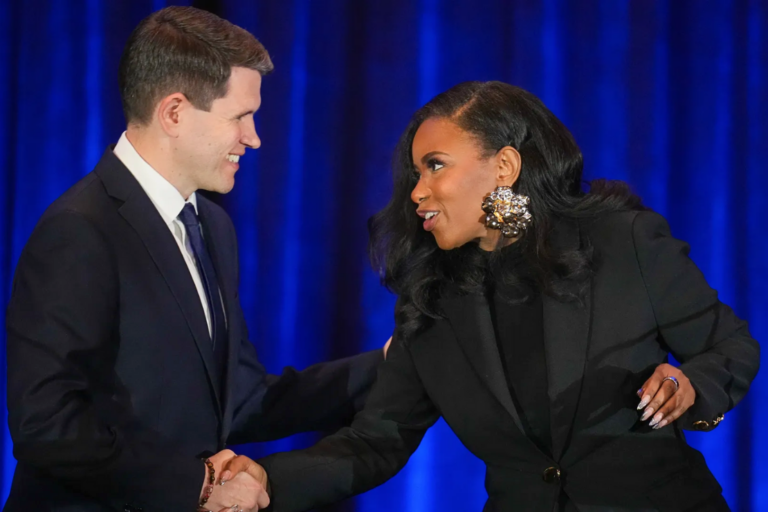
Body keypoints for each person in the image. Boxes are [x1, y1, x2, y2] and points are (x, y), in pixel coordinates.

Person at [242, 81, 760, 511]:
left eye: (436, 165)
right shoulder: (430, 299)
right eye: (415, 172)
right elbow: (377, 440)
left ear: (505, 167)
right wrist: (264, 481)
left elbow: (732, 346)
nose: (417, 191)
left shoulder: (623, 242)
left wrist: (691, 384)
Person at [4, 6, 389, 512]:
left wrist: (384, 366)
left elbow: (243, 399)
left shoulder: (213, 227)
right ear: (174, 113)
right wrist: (199, 485)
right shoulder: (80, 230)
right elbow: (47, 426)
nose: (254, 137)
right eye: (240, 117)